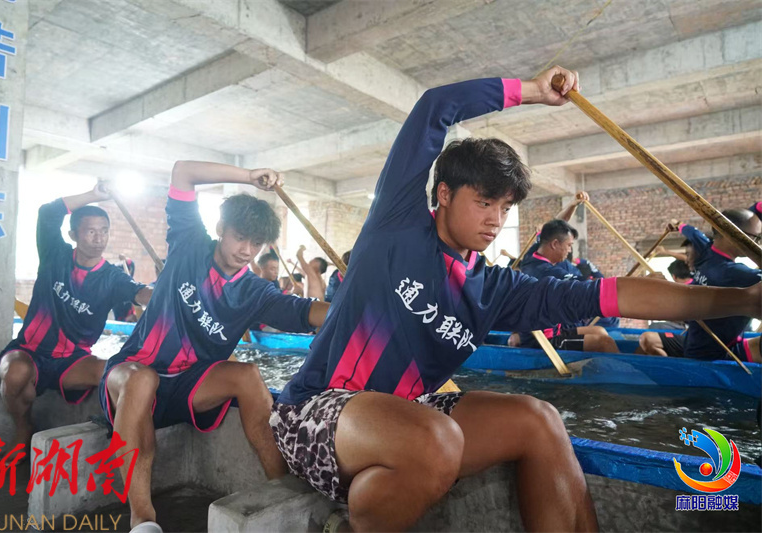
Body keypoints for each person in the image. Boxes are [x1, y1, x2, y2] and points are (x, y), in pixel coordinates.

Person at [268, 67, 762, 533]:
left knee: (538, 419)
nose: (495, 219)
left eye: (505, 207)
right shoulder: (396, 226)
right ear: (444, 193)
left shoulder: (496, 289)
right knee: (434, 438)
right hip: (316, 411)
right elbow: (435, 107)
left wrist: (745, 299)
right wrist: (532, 91)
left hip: (407, 413)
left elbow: (612, 294)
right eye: (484, 202)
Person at [99, 161, 329, 532]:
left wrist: (351, 309)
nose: (247, 250)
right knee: (142, 379)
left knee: (248, 374)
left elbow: (304, 312)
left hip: (187, 385)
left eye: (256, 243)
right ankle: (142, 517)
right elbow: (182, 171)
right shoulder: (188, 244)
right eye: (240, 237)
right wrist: (249, 177)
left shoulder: (254, 291)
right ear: (221, 229)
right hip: (132, 372)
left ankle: (282, 489)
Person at [0, 184, 152, 451]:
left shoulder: (113, 277)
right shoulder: (54, 255)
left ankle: (118, 440)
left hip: (72, 360)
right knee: (15, 374)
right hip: (28, 350)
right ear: (73, 235)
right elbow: (48, 213)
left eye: (104, 231)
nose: (99, 238)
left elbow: (139, 292)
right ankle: (23, 428)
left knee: (120, 373)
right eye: (91, 231)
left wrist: (163, 295)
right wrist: (95, 195)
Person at [642, 211, 761, 361]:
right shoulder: (737, 274)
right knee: (648, 339)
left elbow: (692, 232)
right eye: (755, 237)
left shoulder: (707, 252)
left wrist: (678, 225)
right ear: (731, 235)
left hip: (699, 344)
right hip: (715, 354)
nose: (757, 244)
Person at [517, 198, 619, 353]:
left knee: (599, 331)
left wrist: (573, 204)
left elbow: (555, 227)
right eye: (569, 246)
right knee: (604, 343)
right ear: (555, 244)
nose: (570, 251)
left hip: (555, 329)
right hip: (543, 339)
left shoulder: (532, 254)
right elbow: (585, 284)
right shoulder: (547, 272)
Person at [112, 254, 139, 322]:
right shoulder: (116, 293)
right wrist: (127, 319)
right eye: (129, 269)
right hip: (123, 324)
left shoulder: (132, 287)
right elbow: (118, 320)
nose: (130, 271)